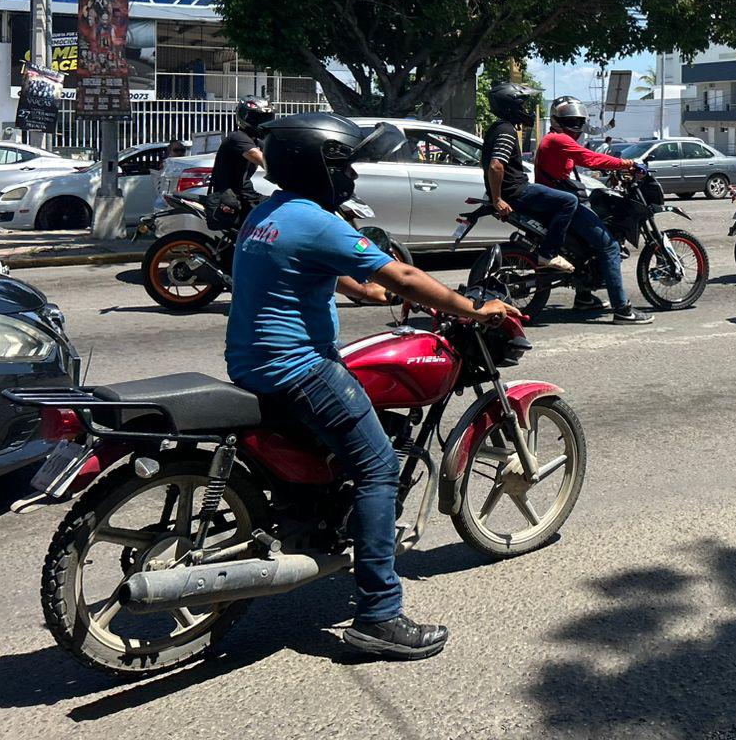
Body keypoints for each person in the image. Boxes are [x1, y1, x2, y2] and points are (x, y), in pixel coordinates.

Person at [226, 112, 520, 660]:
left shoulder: (267, 214)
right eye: (343, 165)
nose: (352, 177)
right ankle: (379, 616)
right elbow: (405, 275)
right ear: (318, 168)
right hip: (297, 367)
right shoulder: (318, 220)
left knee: (341, 446)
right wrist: (475, 309)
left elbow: (322, 269)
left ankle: (309, 520)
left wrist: (367, 295)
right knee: (379, 466)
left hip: (250, 362)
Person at [533, 97, 652, 325]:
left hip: (556, 199)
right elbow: (591, 159)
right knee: (608, 245)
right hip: (561, 203)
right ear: (558, 121)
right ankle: (622, 309)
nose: (576, 126)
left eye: (578, 121)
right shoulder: (558, 140)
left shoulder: (555, 138)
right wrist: (628, 164)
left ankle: (584, 296)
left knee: (588, 245)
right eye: (571, 121)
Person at [482, 82, 576, 275]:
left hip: (513, 190)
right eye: (522, 105)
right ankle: (549, 253)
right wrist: (498, 199)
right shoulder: (506, 131)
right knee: (569, 201)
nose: (525, 110)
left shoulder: (495, 128)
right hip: (517, 191)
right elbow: (496, 165)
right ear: (511, 106)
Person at [209, 96, 275, 206]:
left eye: (266, 118)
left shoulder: (257, 142)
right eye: (258, 119)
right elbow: (264, 160)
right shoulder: (237, 138)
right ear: (244, 118)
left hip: (245, 194)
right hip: (228, 198)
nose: (263, 123)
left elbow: (275, 155)